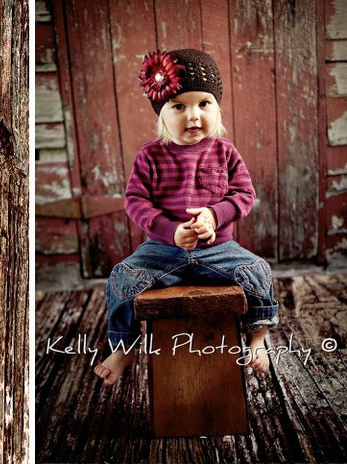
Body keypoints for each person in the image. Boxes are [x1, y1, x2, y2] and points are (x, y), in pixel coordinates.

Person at [93, 49, 279, 385]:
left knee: (258, 272)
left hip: (217, 251)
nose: (193, 115)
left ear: (217, 108)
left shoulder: (225, 151)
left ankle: (258, 338)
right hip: (163, 252)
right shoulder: (151, 155)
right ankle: (123, 347)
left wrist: (214, 215)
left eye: (203, 104)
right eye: (179, 106)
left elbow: (244, 195)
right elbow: (135, 200)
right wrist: (169, 230)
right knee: (122, 277)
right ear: (161, 114)